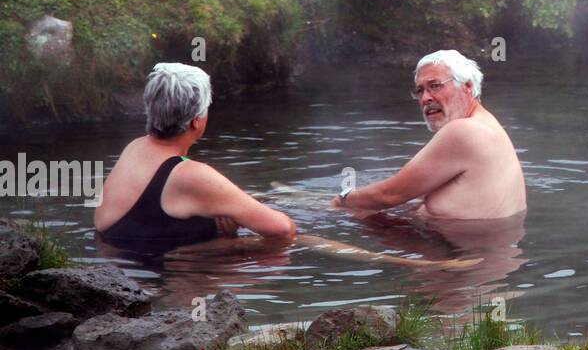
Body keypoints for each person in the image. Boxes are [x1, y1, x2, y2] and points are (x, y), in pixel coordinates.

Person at [96, 62, 296, 254]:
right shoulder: (191, 175)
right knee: (280, 250)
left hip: (115, 258)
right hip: (165, 276)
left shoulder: (134, 147)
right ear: (195, 121)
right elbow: (283, 229)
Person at [332, 49, 526, 221]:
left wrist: (342, 200)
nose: (425, 98)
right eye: (420, 90)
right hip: (485, 247)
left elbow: (389, 195)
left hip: (463, 257)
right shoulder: (488, 125)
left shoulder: (463, 131)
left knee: (348, 215)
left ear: (467, 87)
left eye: (435, 86)